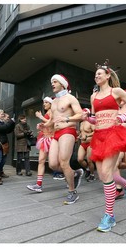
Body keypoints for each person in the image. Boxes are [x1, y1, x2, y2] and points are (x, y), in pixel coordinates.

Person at [83, 60, 126, 232]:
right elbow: (96, 118)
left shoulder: (116, 91)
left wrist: (124, 117)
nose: (97, 76)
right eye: (95, 75)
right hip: (98, 136)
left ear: (108, 75)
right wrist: (87, 117)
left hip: (113, 134)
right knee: (103, 175)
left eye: (100, 73)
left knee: (107, 173)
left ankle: (109, 216)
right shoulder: (93, 96)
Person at [47, 74, 84, 204]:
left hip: (68, 131)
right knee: (52, 164)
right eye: (52, 82)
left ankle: (72, 192)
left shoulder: (70, 98)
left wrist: (67, 119)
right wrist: (45, 124)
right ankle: (74, 173)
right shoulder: (54, 101)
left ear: (62, 84)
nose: (52, 84)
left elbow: (80, 115)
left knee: (64, 162)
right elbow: (53, 119)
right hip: (56, 133)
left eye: (55, 81)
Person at [27, 97, 60, 192]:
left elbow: (53, 123)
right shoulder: (47, 113)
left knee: (57, 163)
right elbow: (47, 125)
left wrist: (41, 118)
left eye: (46, 102)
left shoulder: (53, 112)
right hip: (45, 139)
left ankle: (70, 176)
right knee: (41, 161)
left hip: (52, 139)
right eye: (43, 102)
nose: (44, 104)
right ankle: (38, 184)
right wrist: (41, 126)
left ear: (51, 103)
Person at [77, 108, 96, 182]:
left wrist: (87, 136)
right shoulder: (81, 123)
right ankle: (88, 169)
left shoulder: (91, 122)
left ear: (87, 114)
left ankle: (92, 174)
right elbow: (82, 133)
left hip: (90, 143)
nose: (81, 114)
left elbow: (95, 132)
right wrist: (80, 135)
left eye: (83, 113)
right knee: (80, 159)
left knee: (89, 160)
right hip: (83, 143)